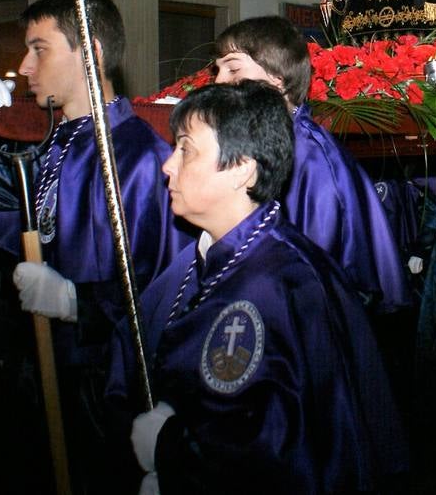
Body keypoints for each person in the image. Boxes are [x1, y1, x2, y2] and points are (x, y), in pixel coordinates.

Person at [0, 0, 185, 491]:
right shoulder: (42, 148)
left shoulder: (139, 157)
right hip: (35, 378)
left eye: (39, 48)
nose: (23, 66)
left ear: (92, 51)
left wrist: (75, 303)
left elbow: (163, 291)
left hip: (109, 393)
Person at [129, 81, 409, 494]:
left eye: (186, 149)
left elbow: (271, 451)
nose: (168, 166)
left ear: (242, 167)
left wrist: (171, 449)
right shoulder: (230, 256)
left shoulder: (275, 282)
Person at [212, 15, 408, 311]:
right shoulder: (272, 140)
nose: (219, 81)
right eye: (218, 70)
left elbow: (312, 283)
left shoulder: (311, 159)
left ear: (276, 78)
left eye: (233, 68)